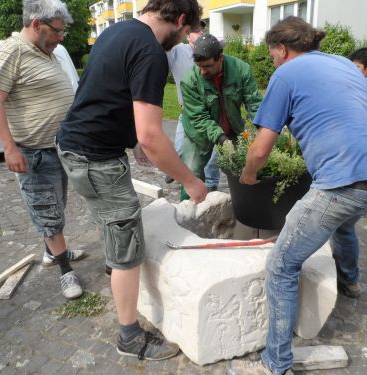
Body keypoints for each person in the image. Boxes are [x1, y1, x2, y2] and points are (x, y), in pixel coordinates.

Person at [238, 17, 367, 375]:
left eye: (272, 54)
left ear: (282, 48)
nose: (272, 60)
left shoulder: (285, 74)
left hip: (342, 184)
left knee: (281, 265)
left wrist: (248, 174)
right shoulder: (343, 63)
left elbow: (261, 149)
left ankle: (275, 363)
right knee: (343, 226)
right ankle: (351, 282)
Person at [56, 0, 207, 361]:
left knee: (114, 223)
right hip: (96, 159)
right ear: (181, 19)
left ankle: (116, 264)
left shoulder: (117, 32)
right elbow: (155, 138)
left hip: (75, 147)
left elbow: (111, 94)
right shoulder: (152, 52)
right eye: (186, 32)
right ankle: (129, 337)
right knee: (127, 242)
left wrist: (134, 136)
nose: (183, 39)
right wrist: (191, 181)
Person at [0, 0, 85, 300]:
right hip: (33, 153)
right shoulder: (12, 51)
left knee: (56, 205)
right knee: (47, 210)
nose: (61, 37)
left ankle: (51, 251)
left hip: (55, 149)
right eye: (57, 31)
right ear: (36, 24)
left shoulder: (46, 51)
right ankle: (65, 271)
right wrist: (9, 148)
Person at [179, 33, 263, 200]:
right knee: (191, 172)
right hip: (199, 131)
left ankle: (245, 204)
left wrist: (262, 131)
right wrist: (221, 138)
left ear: (220, 57)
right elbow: (199, 118)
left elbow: (255, 104)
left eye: (207, 66)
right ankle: (188, 214)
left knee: (244, 165)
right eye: (199, 66)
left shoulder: (241, 70)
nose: (203, 72)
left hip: (232, 127)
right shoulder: (190, 80)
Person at [165, 20, 221, 191]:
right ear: (188, 35)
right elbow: (162, 50)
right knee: (181, 149)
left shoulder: (212, 52)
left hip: (213, 111)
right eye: (196, 31)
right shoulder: (177, 51)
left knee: (212, 155)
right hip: (188, 111)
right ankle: (176, 171)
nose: (202, 33)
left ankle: (211, 186)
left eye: (203, 30)